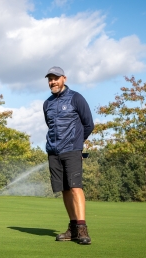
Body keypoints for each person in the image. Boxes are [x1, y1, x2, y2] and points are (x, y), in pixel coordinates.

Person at [43, 66, 94, 245]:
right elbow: (50, 127)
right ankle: (72, 228)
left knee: (75, 187)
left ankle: (82, 229)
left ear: (64, 78)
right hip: (53, 152)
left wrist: (77, 145)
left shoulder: (76, 98)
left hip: (72, 150)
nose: (52, 82)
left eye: (55, 78)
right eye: (50, 79)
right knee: (64, 189)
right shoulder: (47, 103)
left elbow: (89, 124)